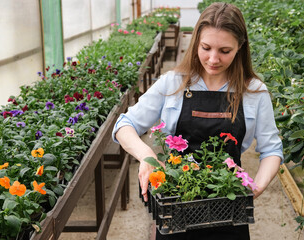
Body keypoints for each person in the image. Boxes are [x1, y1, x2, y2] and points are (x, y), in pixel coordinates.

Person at [112, 2, 283, 239]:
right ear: (195, 43)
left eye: (225, 51)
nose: (213, 59)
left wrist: (256, 187)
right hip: (175, 207)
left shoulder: (254, 91)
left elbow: (272, 148)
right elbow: (124, 125)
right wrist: (146, 156)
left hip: (228, 207)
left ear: (240, 47)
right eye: (206, 48)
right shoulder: (173, 83)